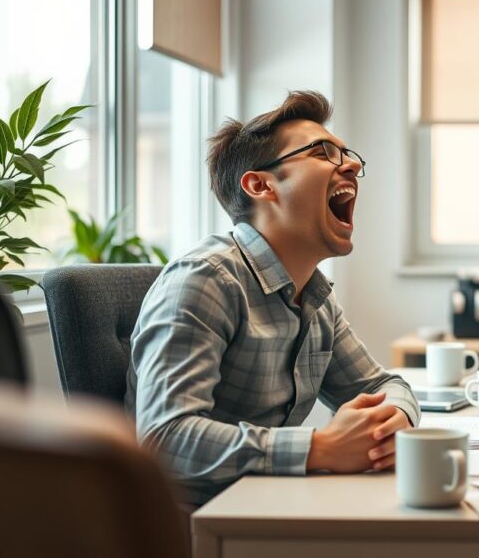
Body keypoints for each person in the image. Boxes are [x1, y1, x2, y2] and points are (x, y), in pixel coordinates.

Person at [126, 91, 419, 506]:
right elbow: (164, 437)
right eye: (323, 153)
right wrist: (321, 448)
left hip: (270, 504)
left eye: (348, 155)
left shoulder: (314, 296)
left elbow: (382, 385)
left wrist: (396, 419)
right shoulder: (206, 279)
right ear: (261, 185)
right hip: (193, 525)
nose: (352, 165)